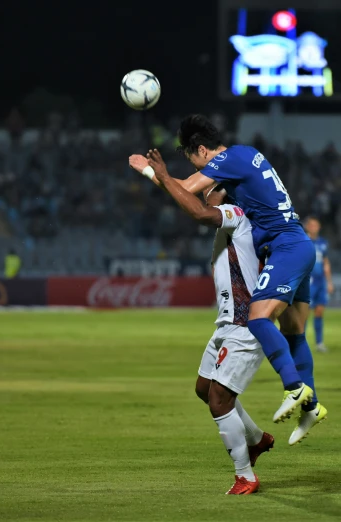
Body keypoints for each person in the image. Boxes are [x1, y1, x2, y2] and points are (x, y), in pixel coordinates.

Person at [129, 114, 321, 426]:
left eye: (196, 162)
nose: (199, 171)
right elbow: (188, 190)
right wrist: (158, 176)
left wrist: (153, 172)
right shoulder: (246, 157)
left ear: (202, 150)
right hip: (297, 242)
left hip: (286, 246)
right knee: (295, 333)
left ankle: (294, 388)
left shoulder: (231, 158)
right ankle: (311, 407)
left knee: (258, 319)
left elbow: (188, 191)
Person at [191, 184, 273, 494]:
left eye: (209, 191)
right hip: (226, 323)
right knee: (204, 388)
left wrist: (161, 177)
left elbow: (198, 213)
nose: (203, 197)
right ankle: (256, 439)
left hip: (244, 324)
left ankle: (246, 476)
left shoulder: (236, 215)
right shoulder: (230, 224)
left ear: (224, 197)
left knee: (219, 399)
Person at [304, 217, 333, 353]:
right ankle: (300, 343)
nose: (314, 228)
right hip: (309, 282)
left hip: (321, 282)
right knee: (305, 313)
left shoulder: (323, 243)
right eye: (312, 225)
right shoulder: (303, 241)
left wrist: (329, 282)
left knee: (320, 312)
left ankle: (319, 343)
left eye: (317, 225)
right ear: (307, 227)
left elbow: (326, 263)